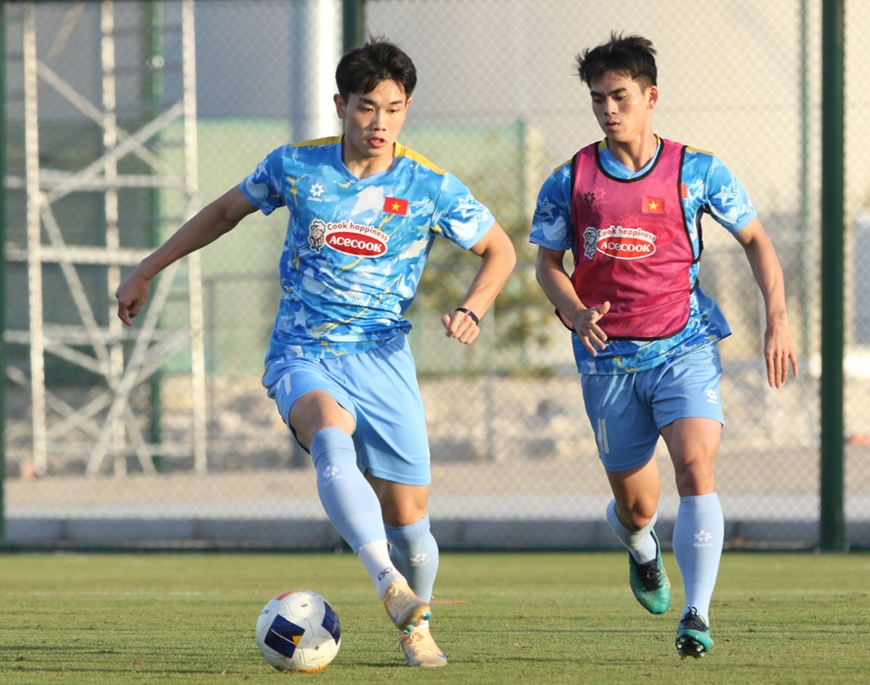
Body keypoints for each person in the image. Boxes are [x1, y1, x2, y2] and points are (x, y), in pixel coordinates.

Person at [116, 37, 516, 668]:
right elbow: (223, 213)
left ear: (407, 109)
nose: (379, 122)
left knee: (411, 524)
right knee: (329, 433)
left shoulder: (429, 185)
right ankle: (386, 582)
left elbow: (500, 250)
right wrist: (147, 268)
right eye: (366, 107)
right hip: (304, 350)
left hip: (383, 359)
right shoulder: (296, 166)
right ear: (340, 105)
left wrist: (472, 308)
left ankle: (417, 620)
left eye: (393, 108)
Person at [530, 33, 798, 659]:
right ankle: (639, 544)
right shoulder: (571, 179)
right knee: (637, 505)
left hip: (685, 345)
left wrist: (778, 318)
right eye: (598, 99)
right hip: (607, 359)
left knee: (696, 468)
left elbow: (756, 240)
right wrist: (574, 310)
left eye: (620, 97)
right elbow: (546, 264)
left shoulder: (697, 170)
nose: (608, 110)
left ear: (652, 97)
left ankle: (696, 614)